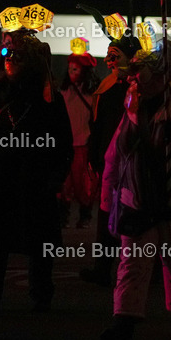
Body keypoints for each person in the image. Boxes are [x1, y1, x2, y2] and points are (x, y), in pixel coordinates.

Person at [99, 38, 171, 340]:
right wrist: (108, 193)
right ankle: (123, 322)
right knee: (132, 264)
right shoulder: (131, 107)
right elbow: (117, 152)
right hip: (138, 198)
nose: (135, 78)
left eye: (141, 73)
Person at [0, 31, 73, 315]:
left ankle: (42, 295)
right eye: (8, 55)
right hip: (0, 178)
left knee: (39, 242)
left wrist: (56, 175)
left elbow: (63, 142)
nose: (10, 62)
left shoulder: (50, 100)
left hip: (36, 179)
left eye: (18, 57)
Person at [78, 33, 133, 287]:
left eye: (115, 56)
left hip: (134, 161)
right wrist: (94, 157)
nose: (109, 61)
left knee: (133, 215)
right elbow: (96, 126)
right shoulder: (105, 87)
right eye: (108, 55)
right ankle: (102, 267)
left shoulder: (139, 85)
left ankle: (136, 268)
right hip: (109, 162)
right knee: (106, 213)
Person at [59, 49, 99, 229]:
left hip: (83, 144)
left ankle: (85, 214)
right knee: (65, 183)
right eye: (70, 69)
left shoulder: (92, 94)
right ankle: (64, 215)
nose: (71, 72)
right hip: (66, 144)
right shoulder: (65, 91)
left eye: (75, 69)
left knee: (83, 183)